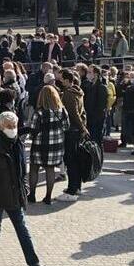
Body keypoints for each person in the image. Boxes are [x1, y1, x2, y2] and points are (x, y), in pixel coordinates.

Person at [0, 111, 56, 266]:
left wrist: (25, 186)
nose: (12, 129)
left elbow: (22, 169)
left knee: (23, 231)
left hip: (15, 194)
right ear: (1, 127)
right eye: (8, 127)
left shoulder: (18, 144)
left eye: (14, 126)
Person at [29, 85, 68, 204]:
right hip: (56, 144)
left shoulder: (39, 112)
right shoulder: (62, 110)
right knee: (50, 169)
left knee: (34, 168)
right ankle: (48, 197)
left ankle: (32, 194)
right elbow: (66, 126)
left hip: (40, 144)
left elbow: (33, 130)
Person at [58, 70, 88, 201]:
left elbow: (73, 113)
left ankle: (71, 190)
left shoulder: (69, 94)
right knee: (76, 159)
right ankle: (77, 187)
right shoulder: (78, 92)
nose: (60, 81)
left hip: (72, 130)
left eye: (62, 79)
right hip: (77, 130)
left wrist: (82, 128)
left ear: (67, 80)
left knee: (71, 160)